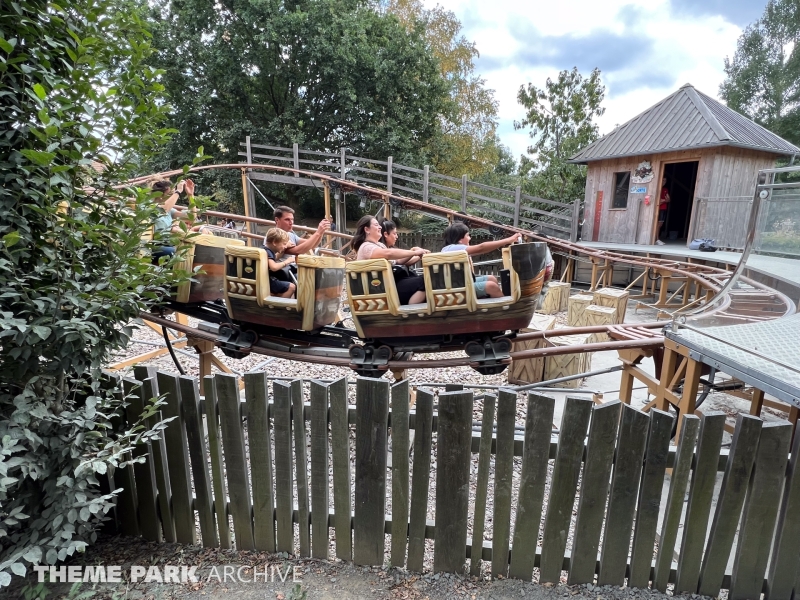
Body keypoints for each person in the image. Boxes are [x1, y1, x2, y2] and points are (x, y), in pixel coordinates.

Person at [352, 216, 430, 305]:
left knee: (425, 278)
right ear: (367, 229)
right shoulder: (366, 247)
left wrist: (416, 253)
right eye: (376, 225)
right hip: (381, 290)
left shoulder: (379, 245)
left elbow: (398, 261)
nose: (380, 227)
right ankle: (410, 314)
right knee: (424, 281)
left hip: (389, 285)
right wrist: (413, 253)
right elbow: (389, 253)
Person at [441, 222, 521, 299]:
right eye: (468, 235)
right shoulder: (452, 249)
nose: (470, 238)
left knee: (491, 278)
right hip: (456, 288)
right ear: (460, 240)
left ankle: (491, 303)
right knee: (491, 286)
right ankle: (505, 309)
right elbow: (481, 247)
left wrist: (504, 242)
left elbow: (482, 250)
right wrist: (509, 240)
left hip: (461, 283)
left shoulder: (451, 249)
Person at [150, 178, 208, 262]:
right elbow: (162, 210)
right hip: (155, 246)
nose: (173, 196)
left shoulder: (169, 210)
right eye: (170, 194)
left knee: (195, 252)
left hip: (169, 244)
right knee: (181, 254)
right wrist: (178, 191)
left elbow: (191, 218)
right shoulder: (151, 207)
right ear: (160, 195)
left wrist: (190, 195)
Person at [264, 228, 297, 298]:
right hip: (266, 281)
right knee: (291, 287)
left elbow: (274, 258)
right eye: (284, 244)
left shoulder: (265, 250)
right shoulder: (268, 252)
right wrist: (287, 261)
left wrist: (283, 249)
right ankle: (279, 307)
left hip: (262, 279)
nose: (285, 246)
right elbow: (274, 267)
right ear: (275, 242)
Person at [657, 177, 670, 245]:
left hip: (663, 208)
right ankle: (657, 239)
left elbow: (669, 199)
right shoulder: (657, 188)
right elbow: (657, 201)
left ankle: (657, 239)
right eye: (663, 180)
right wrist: (664, 200)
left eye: (665, 180)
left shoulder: (665, 189)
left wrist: (663, 200)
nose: (664, 181)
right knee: (657, 224)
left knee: (660, 224)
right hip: (658, 209)